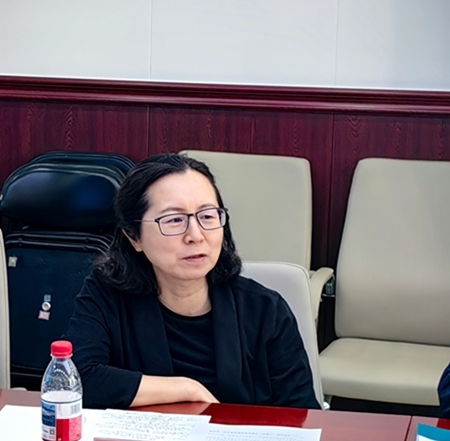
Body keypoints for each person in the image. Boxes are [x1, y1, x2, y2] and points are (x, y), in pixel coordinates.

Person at [66, 153, 320, 410]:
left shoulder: (266, 310)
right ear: (134, 238)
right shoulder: (106, 295)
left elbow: (302, 413)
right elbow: (74, 379)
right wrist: (186, 388)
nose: (195, 235)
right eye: (174, 220)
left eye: (207, 216)